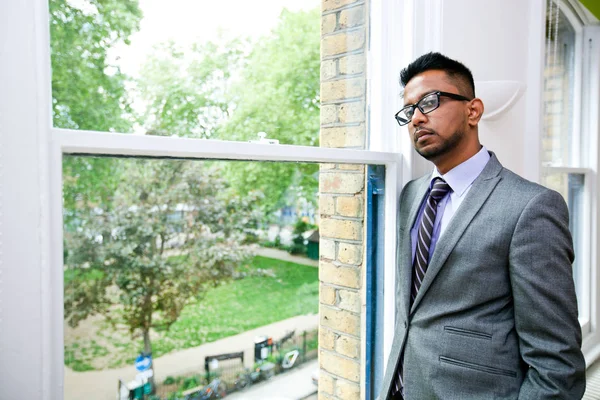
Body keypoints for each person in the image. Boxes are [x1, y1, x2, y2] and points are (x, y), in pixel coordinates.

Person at [378, 52, 586, 399]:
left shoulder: (530, 207)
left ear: (473, 110)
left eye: (430, 102)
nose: (416, 118)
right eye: (409, 110)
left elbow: (557, 362)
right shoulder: (411, 195)